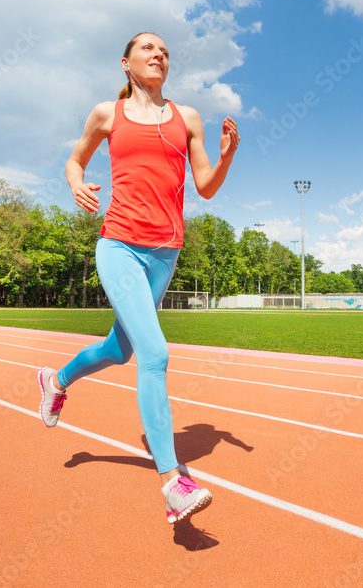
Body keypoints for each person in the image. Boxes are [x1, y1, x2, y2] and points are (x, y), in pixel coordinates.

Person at [36, 31, 239, 524]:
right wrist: (76, 183)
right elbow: (74, 160)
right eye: (149, 49)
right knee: (155, 353)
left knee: (120, 349)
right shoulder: (109, 113)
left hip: (165, 254)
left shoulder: (188, 118)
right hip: (119, 243)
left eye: (165, 51)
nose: (159, 55)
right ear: (126, 62)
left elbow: (205, 187)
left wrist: (228, 153)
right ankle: (173, 483)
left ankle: (56, 379)